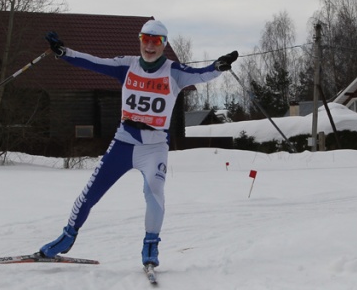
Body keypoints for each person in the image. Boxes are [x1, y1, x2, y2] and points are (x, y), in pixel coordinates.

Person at [38, 19, 238, 267]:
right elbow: (93, 62)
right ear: (140, 41)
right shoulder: (127, 65)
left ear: (164, 44)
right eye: (146, 40)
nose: (150, 46)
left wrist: (218, 66)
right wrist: (63, 52)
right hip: (123, 142)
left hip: (154, 147)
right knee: (90, 192)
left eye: (156, 41)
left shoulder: (174, 71)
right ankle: (66, 238)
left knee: (154, 192)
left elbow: (202, 73)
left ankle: (150, 246)